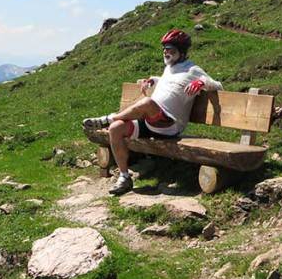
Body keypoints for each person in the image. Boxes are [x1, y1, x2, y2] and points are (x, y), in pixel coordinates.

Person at [84, 29, 223, 195]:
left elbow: (218, 85)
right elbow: (169, 83)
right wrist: (153, 80)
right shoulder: (170, 68)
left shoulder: (192, 69)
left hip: (169, 125)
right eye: (164, 48)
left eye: (170, 48)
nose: (165, 51)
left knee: (148, 103)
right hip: (152, 123)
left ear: (182, 50)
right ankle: (124, 177)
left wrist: (202, 82)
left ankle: (109, 118)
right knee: (116, 129)